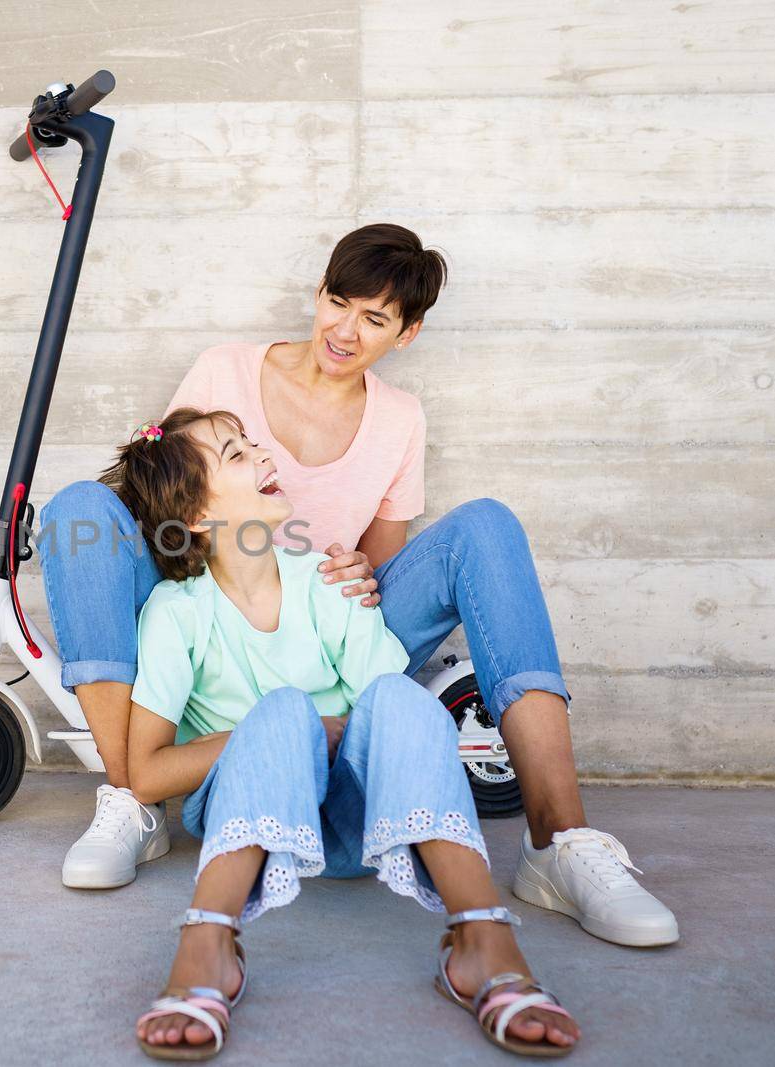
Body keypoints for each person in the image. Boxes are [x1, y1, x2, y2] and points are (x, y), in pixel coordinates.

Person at [38, 223, 678, 949]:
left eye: (374, 319)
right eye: (338, 302)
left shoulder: (400, 419)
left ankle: (559, 842)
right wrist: (211, 580)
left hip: (328, 621)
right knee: (78, 513)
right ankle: (133, 795)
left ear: (406, 333)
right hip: (216, 596)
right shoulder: (224, 374)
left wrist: (347, 574)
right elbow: (164, 499)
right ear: (318, 294)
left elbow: (378, 565)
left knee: (485, 527)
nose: (345, 330)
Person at [105, 408, 579, 1059]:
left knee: (398, 696)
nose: (261, 454)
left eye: (251, 441)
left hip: (360, 825)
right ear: (195, 518)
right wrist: (291, 726)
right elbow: (148, 772)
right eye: (235, 454)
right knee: (284, 712)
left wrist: (333, 731)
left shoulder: (324, 584)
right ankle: (207, 943)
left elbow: (391, 718)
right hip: (247, 816)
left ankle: (481, 936)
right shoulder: (176, 614)